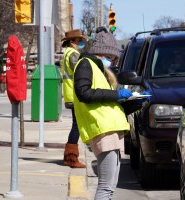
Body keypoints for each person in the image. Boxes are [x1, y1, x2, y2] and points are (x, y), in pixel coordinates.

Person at [73, 26, 133, 200]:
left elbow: (108, 104)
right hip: (102, 130)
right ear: (101, 53)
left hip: (110, 130)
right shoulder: (86, 64)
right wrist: (116, 94)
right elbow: (84, 92)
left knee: (110, 186)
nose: (112, 62)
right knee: (106, 187)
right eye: (110, 58)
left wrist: (134, 103)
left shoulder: (98, 69)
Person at [61, 29, 87, 168]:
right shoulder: (73, 54)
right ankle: (71, 159)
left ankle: (69, 157)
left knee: (76, 125)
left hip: (71, 94)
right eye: (78, 41)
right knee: (76, 126)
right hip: (75, 94)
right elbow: (81, 72)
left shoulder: (67, 53)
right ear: (72, 42)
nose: (80, 43)